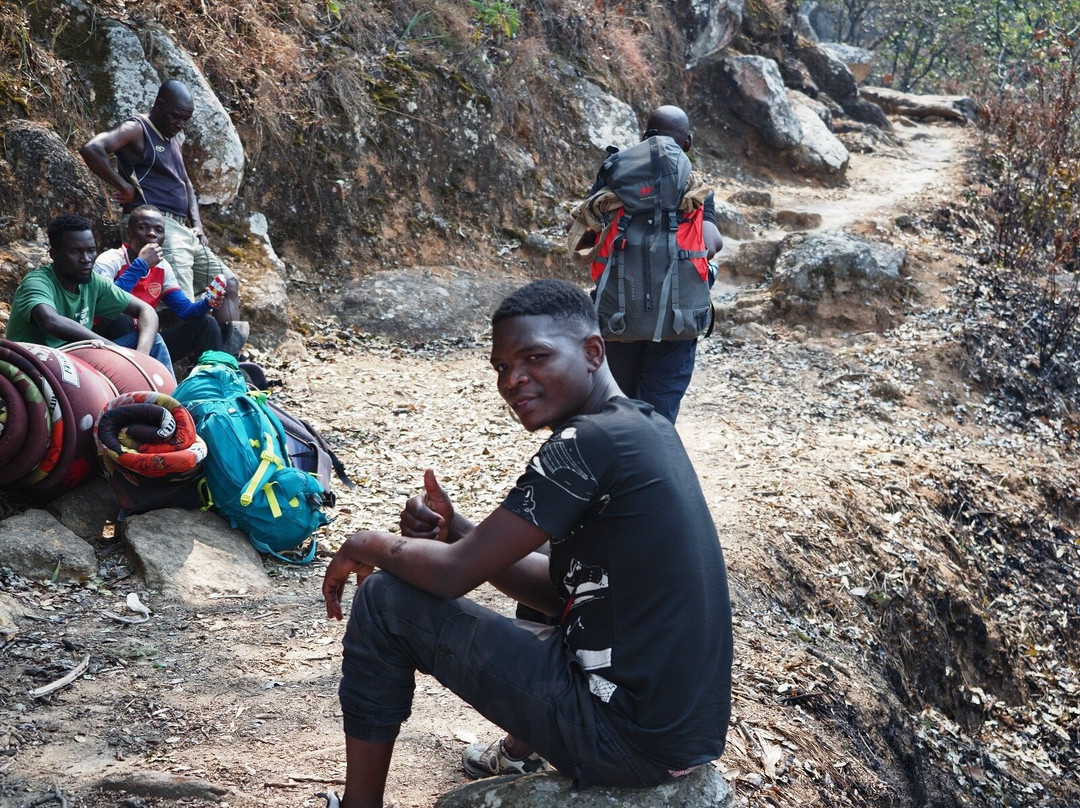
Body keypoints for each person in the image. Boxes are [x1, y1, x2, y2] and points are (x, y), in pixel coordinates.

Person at [321, 279, 732, 808]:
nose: (513, 379)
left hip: (623, 739)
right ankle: (519, 751)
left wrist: (364, 542)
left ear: (593, 352)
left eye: (534, 357)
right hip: (673, 735)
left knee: (384, 600)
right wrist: (457, 530)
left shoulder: (584, 443)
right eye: (501, 366)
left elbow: (451, 576)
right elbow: (560, 591)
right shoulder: (642, 426)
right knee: (535, 581)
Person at [578, 105, 724, 424]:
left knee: (616, 407)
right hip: (677, 321)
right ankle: (654, 451)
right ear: (687, 142)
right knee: (659, 413)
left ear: (644, 137)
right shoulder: (695, 186)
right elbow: (712, 245)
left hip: (618, 315)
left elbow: (583, 234)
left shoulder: (615, 177)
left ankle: (618, 453)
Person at [79, 79, 246, 355]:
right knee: (181, 296)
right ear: (159, 105)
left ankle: (229, 362)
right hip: (156, 223)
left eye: (185, 119)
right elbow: (91, 148)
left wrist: (198, 225)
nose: (180, 124)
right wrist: (124, 187)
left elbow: (187, 185)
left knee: (227, 284)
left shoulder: (172, 140)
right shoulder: (138, 128)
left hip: (183, 229)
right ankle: (181, 366)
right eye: (175, 116)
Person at [6, 213, 174, 376]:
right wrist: (111, 348)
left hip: (80, 360)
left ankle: (171, 395)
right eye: (75, 252)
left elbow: (146, 311)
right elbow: (50, 321)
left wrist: (141, 357)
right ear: (54, 254)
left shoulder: (93, 281)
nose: (86, 259)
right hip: (37, 364)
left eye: (91, 250)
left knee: (154, 341)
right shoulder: (37, 282)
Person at [93, 205, 225, 366]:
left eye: (159, 230)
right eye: (143, 227)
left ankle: (213, 377)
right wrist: (141, 265)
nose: (152, 233)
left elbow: (184, 310)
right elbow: (104, 303)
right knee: (122, 317)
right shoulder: (110, 260)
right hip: (107, 344)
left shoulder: (163, 267)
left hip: (145, 344)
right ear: (128, 232)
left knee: (207, 324)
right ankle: (130, 372)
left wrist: (207, 303)